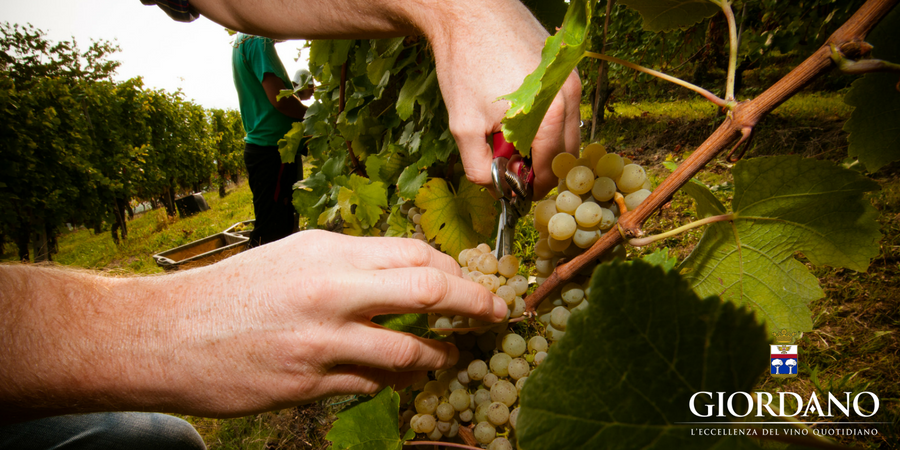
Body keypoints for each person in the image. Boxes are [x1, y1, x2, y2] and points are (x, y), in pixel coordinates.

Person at [1, 0, 581, 444]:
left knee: (161, 440)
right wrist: (167, 324)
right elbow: (279, 98)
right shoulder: (257, 47)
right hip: (272, 145)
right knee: (276, 228)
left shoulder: (238, 43)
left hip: (258, 147)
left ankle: (275, 282)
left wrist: (460, 10)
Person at [232, 33, 307, 248]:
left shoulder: (244, 40)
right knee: (274, 231)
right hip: (273, 151)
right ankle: (258, 278)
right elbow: (280, 100)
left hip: (269, 149)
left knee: (274, 225)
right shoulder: (256, 39)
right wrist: (314, 115)